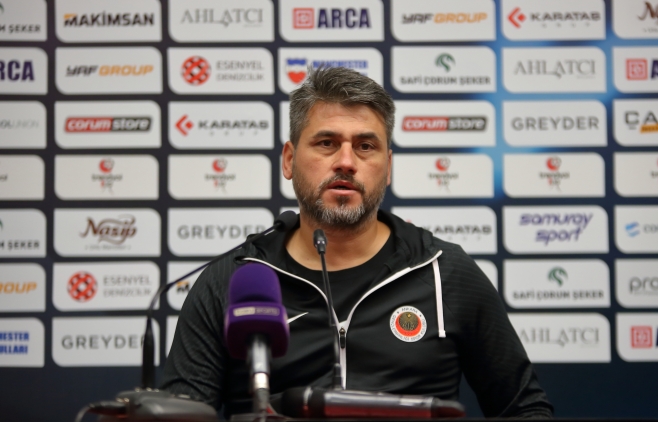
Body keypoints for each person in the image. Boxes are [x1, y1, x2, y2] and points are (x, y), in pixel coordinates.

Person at [161, 67, 554, 419]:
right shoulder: (233, 280)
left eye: (365, 146)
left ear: (388, 167)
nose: (346, 162)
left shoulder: (444, 272)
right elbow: (180, 414)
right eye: (326, 143)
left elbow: (525, 410)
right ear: (289, 159)